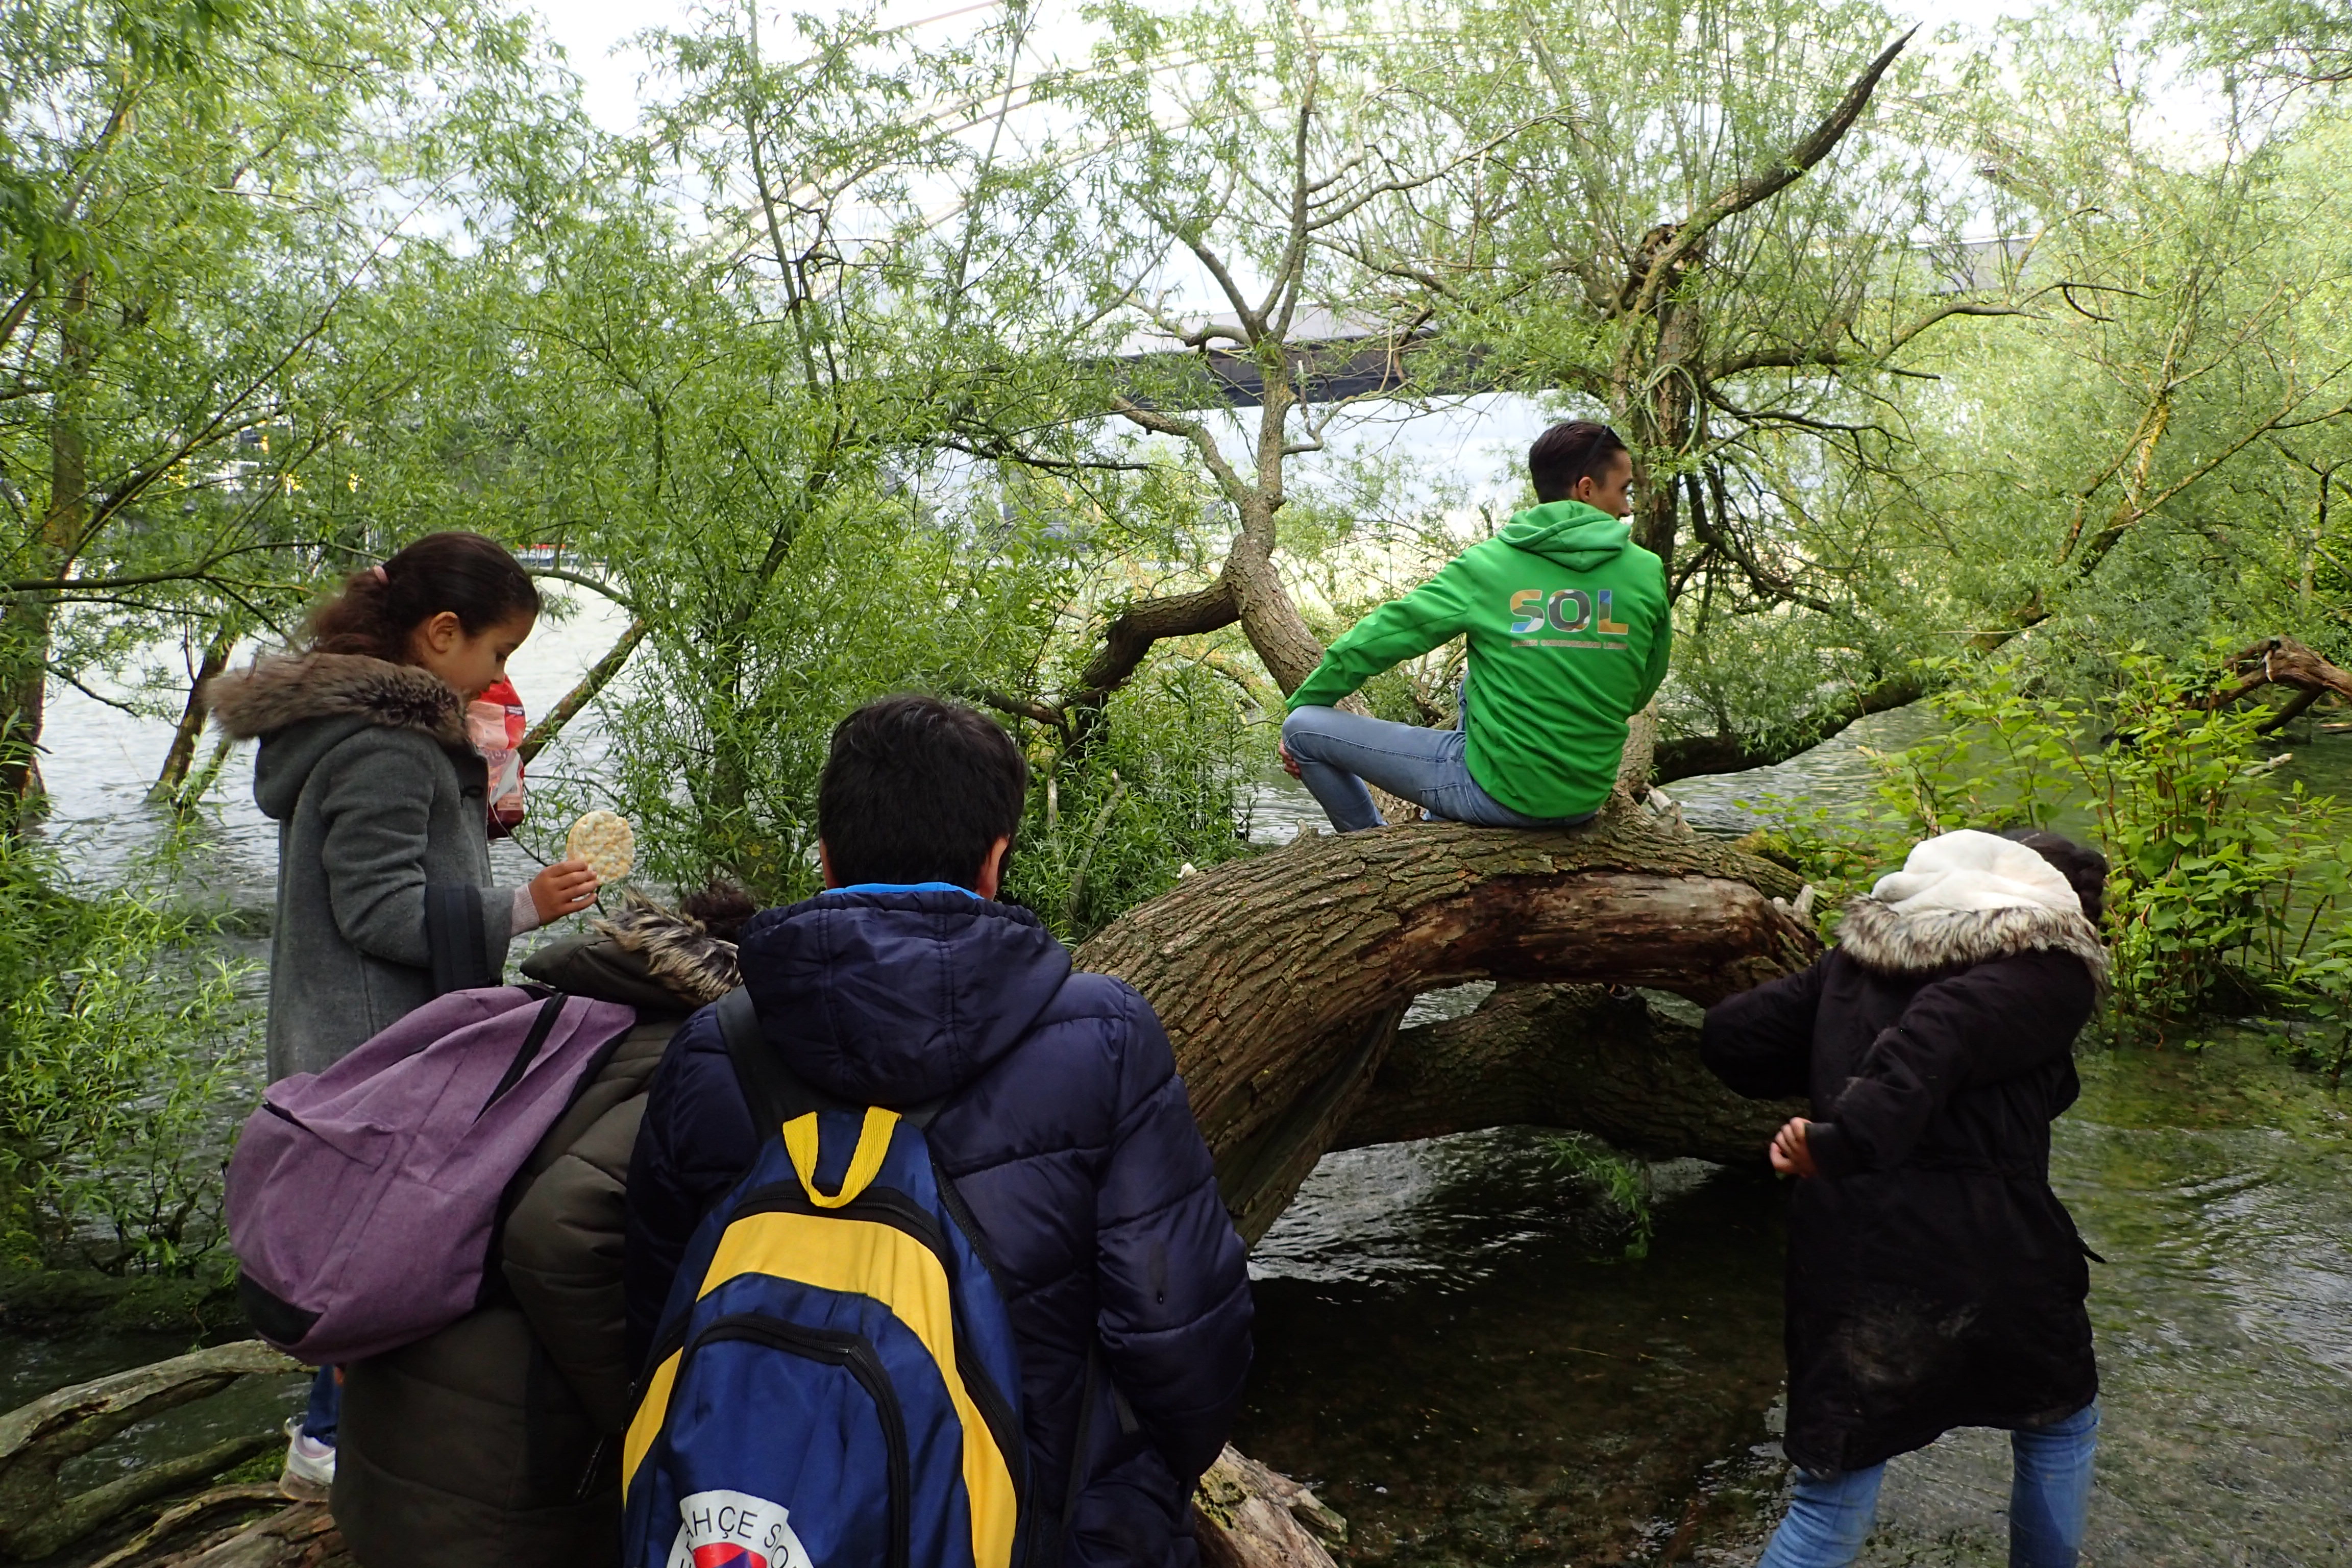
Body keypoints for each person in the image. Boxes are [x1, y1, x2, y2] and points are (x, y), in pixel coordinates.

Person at [623, 694, 1254, 1567]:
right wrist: (1123, 1507)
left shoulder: (717, 1045)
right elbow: (1182, 1337)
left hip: (762, 1513)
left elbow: (655, 1315)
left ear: (826, 858)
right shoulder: (1102, 1035)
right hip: (1044, 1531)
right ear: (995, 861)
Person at [208, 531, 601, 1502]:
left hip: (343, 1037)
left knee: (356, 1250)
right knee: (387, 1257)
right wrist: (524, 908)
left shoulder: (367, 734)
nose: (502, 674)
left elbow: (392, 874)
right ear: (439, 634)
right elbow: (379, 910)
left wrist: (473, 812)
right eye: (499, 653)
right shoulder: (387, 746)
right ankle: (337, 1447)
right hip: (376, 1050)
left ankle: (335, 1438)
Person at [1699, 828, 2112, 1568]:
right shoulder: (2053, 971)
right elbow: (1940, 1032)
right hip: (1989, 1245)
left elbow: (1735, 1037)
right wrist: (1847, 1136)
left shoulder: (1863, 957)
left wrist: (1833, 1066)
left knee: (1834, 1492)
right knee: (2057, 1424)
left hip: (1849, 1249)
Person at [330, 889, 752, 1568]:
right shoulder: (688, 1063)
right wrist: (638, 1409)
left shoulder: (549, 1021)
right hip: (496, 1491)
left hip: (391, 1443)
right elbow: (559, 1231)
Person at [1279, 420, 1670, 832]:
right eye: (1624, 490)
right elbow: (1642, 685)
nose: (1628, 508)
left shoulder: (1489, 565)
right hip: (1584, 799)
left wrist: (1307, 700)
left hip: (1497, 794)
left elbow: (1387, 634)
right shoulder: (1646, 571)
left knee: (1302, 730)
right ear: (1587, 489)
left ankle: (1369, 848)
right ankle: (1439, 819)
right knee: (1476, 682)